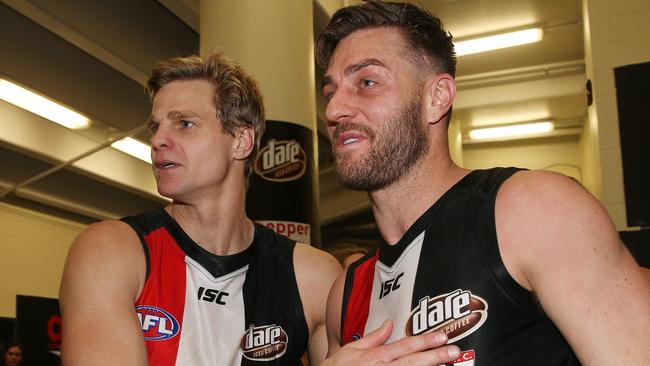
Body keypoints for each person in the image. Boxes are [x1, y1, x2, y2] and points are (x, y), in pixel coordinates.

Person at [316, 1, 650, 365]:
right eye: (330, 92)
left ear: (437, 98)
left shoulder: (532, 210)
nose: (334, 111)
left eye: (367, 82)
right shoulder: (345, 294)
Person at [59, 52, 345, 365]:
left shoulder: (313, 277)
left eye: (184, 123)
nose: (158, 140)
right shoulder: (110, 251)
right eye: (155, 126)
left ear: (240, 141)